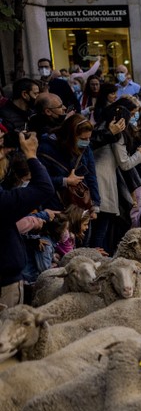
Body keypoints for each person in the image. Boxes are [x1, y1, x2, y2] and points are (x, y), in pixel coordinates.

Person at [0, 129, 55, 306]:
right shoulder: (3, 201)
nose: (4, 153)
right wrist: (31, 154)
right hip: (4, 283)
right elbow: (44, 187)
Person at [88, 103, 141, 253]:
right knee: (101, 229)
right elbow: (125, 164)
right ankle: (97, 258)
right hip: (104, 184)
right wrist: (140, 154)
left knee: (91, 229)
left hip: (92, 181)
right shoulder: (117, 136)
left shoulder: (97, 130)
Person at [37, 114, 100, 216]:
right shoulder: (47, 149)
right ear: (70, 135)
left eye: (89, 138)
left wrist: (94, 205)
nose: (87, 142)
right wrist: (65, 181)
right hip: (55, 205)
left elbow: (91, 176)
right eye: (83, 139)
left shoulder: (85, 149)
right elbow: (41, 180)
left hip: (79, 207)